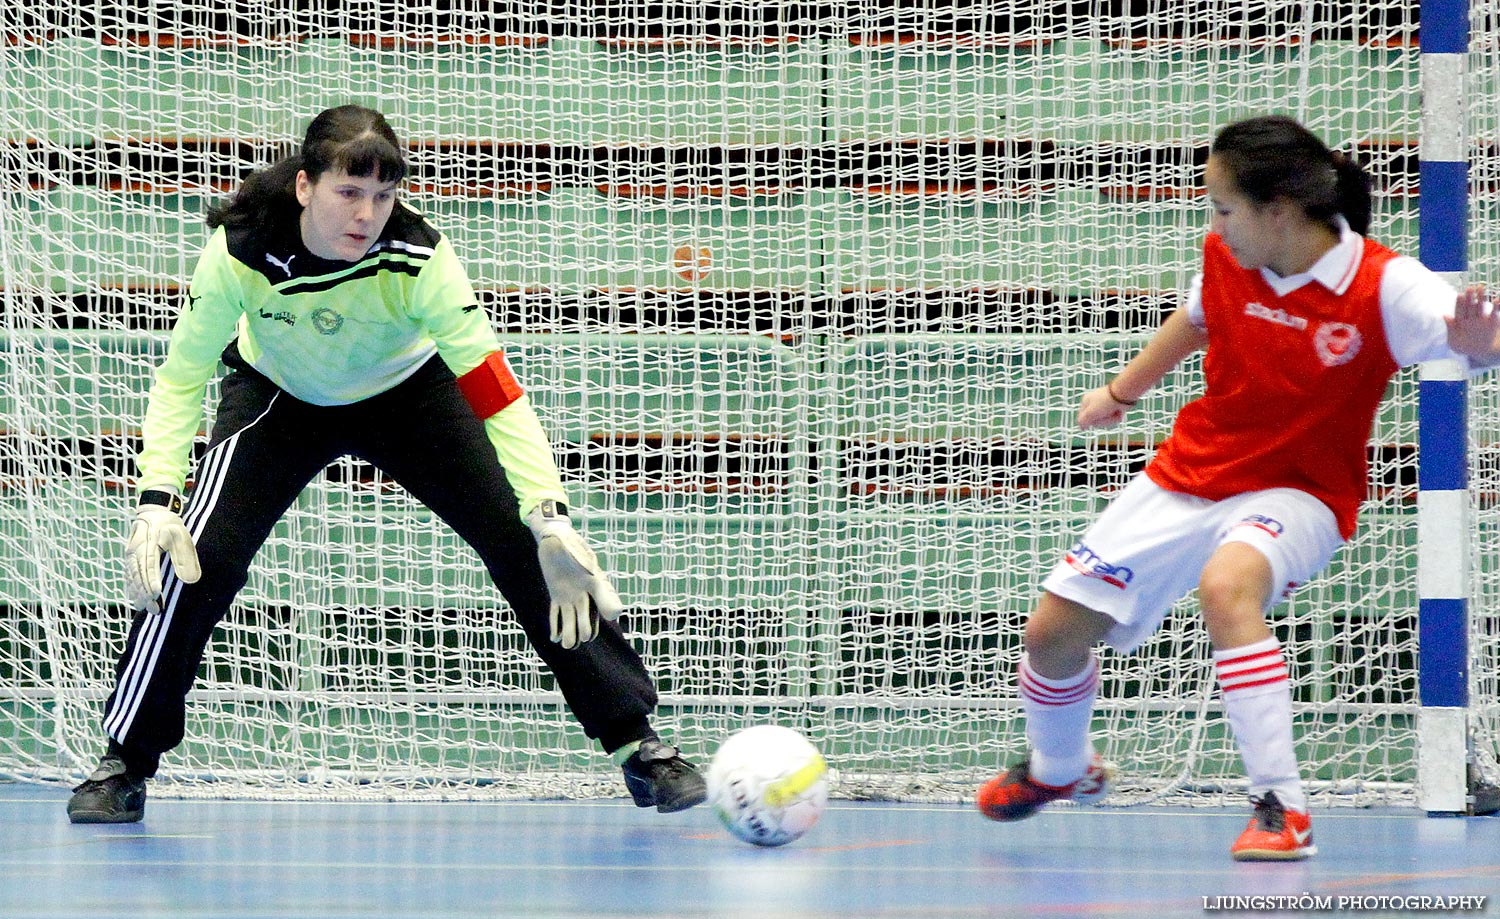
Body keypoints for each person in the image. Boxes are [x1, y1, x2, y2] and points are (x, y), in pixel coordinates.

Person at [66, 105, 706, 823]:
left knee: (534, 545)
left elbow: (495, 392)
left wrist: (550, 515)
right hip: (281, 394)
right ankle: (124, 759)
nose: (367, 213)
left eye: (383, 195)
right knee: (196, 552)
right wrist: (157, 495)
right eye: (349, 191)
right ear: (306, 186)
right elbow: (183, 375)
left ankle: (639, 745)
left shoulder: (421, 256)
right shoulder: (241, 248)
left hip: (411, 395)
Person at [975, 115, 1500, 860]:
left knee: (1227, 588)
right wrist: (1122, 392)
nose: (1213, 223)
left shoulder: (1386, 286)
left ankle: (1281, 806)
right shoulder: (1228, 256)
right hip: (1193, 469)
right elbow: (1193, 322)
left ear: (1277, 211)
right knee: (1051, 634)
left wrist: (1481, 347)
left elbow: (1468, 336)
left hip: (1301, 491)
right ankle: (1061, 770)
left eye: (1223, 206)